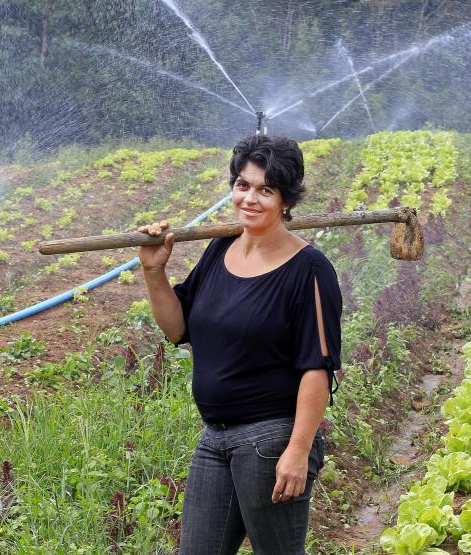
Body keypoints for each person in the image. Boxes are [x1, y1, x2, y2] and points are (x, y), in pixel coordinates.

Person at [137, 134, 342, 554]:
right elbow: (178, 330)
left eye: (266, 190)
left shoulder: (309, 270)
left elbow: (317, 368)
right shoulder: (220, 249)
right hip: (215, 438)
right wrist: (154, 273)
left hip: (271, 441)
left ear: (287, 200)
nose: (250, 198)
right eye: (243, 185)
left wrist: (298, 450)